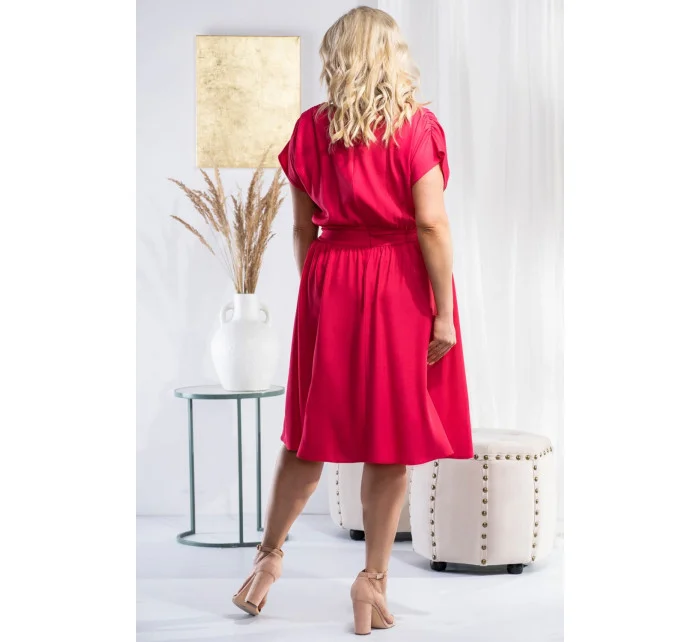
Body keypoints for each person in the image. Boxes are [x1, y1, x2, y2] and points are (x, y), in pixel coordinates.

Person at [233, 6, 473, 635]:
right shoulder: (416, 127)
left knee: (308, 433)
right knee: (389, 437)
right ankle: (372, 582)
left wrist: (320, 293)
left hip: (330, 279)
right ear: (392, 55)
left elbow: (301, 229)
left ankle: (266, 562)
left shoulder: (310, 129)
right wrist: (443, 313)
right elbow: (431, 224)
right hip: (398, 283)